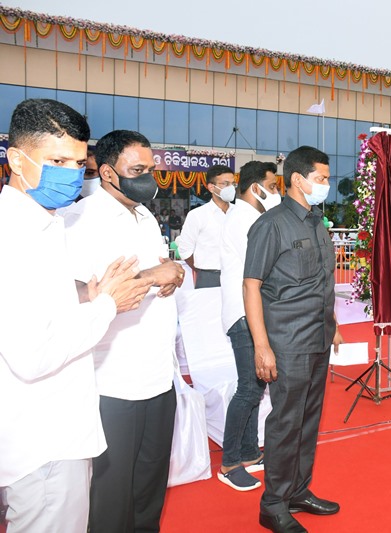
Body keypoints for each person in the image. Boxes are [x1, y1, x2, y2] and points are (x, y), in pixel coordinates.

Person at [0, 99, 151, 533]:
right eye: (56, 160)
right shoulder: (15, 234)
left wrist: (89, 293)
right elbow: (34, 354)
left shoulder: (44, 224)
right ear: (16, 158)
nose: (69, 172)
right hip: (42, 441)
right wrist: (108, 305)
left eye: (76, 162)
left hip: (57, 429)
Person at [62, 129, 186, 532]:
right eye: (138, 169)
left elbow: (158, 271)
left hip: (158, 376)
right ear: (109, 173)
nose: (148, 177)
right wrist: (154, 274)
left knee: (150, 487)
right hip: (113, 382)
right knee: (112, 495)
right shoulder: (81, 219)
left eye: (151, 169)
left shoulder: (146, 215)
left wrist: (171, 275)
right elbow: (84, 294)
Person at [243, 146, 343, 533]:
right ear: (298, 180)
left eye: (327, 178)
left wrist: (333, 324)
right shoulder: (272, 225)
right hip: (287, 341)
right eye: (320, 179)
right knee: (286, 423)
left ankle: (298, 491)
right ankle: (273, 504)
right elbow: (252, 286)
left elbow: (320, 281)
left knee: (308, 421)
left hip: (317, 337)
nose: (326, 185)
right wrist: (262, 346)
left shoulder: (317, 222)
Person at [218, 161, 281, 492]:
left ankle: (247, 453)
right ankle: (229, 463)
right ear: (256, 188)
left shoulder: (248, 217)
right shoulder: (245, 220)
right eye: (272, 187)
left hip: (247, 312)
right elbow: (258, 274)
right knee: (248, 388)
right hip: (244, 314)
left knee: (256, 386)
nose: (276, 194)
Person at [176, 164, 235, 288]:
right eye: (225, 184)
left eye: (233, 184)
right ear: (211, 187)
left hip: (235, 275)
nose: (231, 188)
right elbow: (185, 250)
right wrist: (201, 270)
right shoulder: (197, 215)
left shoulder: (239, 213)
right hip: (208, 277)